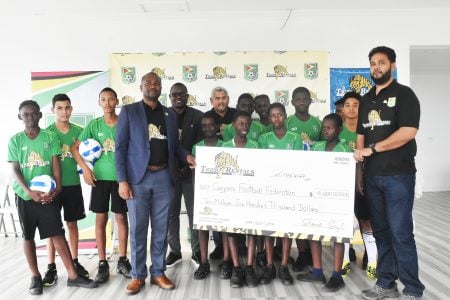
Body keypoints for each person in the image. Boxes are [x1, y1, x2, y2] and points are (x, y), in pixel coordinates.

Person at [354, 46, 425, 300]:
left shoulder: (405, 95)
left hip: (399, 176)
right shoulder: (367, 99)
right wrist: (361, 172)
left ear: (392, 65)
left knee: (401, 233)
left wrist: (374, 149)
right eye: (372, 63)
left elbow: (408, 132)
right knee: (381, 231)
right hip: (372, 178)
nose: (376, 67)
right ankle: (386, 283)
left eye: (381, 63)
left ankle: (413, 290)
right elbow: (360, 136)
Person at [115, 72, 195, 295]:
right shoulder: (130, 112)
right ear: (141, 87)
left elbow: (175, 146)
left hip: (163, 178)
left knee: (161, 230)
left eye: (157, 83)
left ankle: (158, 272)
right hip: (138, 180)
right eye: (148, 83)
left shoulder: (169, 114)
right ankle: (138, 276)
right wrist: (122, 180)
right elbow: (120, 148)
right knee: (139, 230)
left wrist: (186, 156)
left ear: (161, 88)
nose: (153, 86)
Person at [8, 100, 98, 295]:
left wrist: (57, 188)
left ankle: (73, 276)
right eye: (26, 114)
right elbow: (15, 169)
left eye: (33, 114)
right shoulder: (15, 140)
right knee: (28, 236)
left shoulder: (49, 137)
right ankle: (35, 277)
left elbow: (56, 164)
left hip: (48, 195)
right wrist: (29, 192)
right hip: (25, 196)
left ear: (40, 115)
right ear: (20, 117)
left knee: (57, 233)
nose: (30, 117)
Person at [71, 87, 131, 284]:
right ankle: (103, 263)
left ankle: (122, 259)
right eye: (103, 99)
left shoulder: (124, 122)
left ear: (116, 101)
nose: (107, 103)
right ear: (99, 103)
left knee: (121, 217)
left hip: (121, 178)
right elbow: (74, 148)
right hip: (99, 178)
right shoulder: (94, 124)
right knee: (101, 219)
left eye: (110, 99)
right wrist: (86, 170)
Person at [297, 113, 350, 292]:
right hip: (317, 196)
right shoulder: (317, 146)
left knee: (337, 236)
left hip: (337, 198)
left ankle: (337, 275)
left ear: (339, 129)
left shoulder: (344, 150)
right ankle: (318, 271)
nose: (326, 130)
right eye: (324, 127)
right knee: (314, 234)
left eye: (330, 127)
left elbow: (348, 175)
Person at [42, 94, 89, 286]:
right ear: (53, 110)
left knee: (72, 224)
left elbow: (88, 154)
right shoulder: (47, 133)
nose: (64, 111)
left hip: (73, 185)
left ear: (71, 109)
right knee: (52, 228)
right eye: (59, 108)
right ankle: (51, 267)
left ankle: (75, 261)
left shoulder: (79, 131)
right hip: (53, 188)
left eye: (67, 107)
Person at [258, 103, 303, 285]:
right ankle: (270, 265)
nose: (276, 119)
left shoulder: (296, 138)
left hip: (289, 190)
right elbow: (261, 165)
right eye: (273, 116)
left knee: (286, 229)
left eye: (280, 115)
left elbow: (300, 164)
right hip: (269, 190)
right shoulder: (263, 138)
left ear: (285, 116)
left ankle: (284, 266)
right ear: (269, 118)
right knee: (269, 229)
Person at [338, 91, 377, 279]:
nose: (352, 109)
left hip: (364, 184)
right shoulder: (337, 129)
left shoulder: (368, 129)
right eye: (348, 105)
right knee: (345, 223)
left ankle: (372, 260)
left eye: (356, 105)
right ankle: (345, 259)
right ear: (342, 109)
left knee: (366, 221)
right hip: (343, 185)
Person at [166, 83, 203, 269]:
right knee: (171, 213)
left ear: (187, 96)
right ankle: (175, 251)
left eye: (182, 94)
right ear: (170, 97)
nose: (178, 97)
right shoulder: (163, 116)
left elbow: (201, 144)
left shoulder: (198, 116)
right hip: (169, 173)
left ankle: (197, 251)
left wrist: (189, 167)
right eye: (174, 94)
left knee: (194, 213)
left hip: (192, 172)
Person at [222, 111, 259, 288]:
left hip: (251, 197)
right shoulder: (224, 147)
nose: (244, 127)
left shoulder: (256, 146)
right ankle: (237, 268)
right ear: (233, 126)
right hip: (230, 197)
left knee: (251, 232)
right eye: (241, 124)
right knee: (232, 233)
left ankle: (250, 267)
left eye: (247, 124)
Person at [192, 112, 223, 280]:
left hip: (222, 192)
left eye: (211, 125)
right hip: (204, 192)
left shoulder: (225, 145)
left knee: (224, 228)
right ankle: (204, 262)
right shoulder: (196, 147)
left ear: (217, 127)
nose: (208, 128)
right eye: (204, 126)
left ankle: (227, 261)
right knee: (203, 228)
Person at [206, 86, 236, 260]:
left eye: (224, 97)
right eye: (217, 98)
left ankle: (238, 245)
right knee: (217, 209)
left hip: (235, 168)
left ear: (228, 99)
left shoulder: (237, 115)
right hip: (216, 170)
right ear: (211, 101)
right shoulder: (206, 118)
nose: (221, 101)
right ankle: (219, 245)